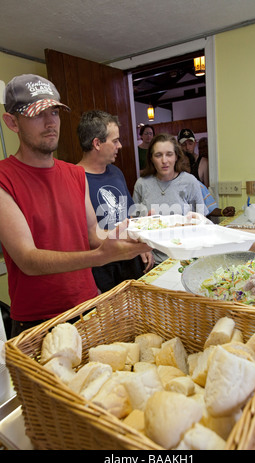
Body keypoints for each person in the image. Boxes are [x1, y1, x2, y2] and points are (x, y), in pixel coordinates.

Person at [0, 74, 150, 337]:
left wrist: (135, 233)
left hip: (88, 305)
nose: (50, 123)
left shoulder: (74, 174)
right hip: (39, 321)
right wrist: (102, 256)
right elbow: (28, 259)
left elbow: (92, 235)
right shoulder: (5, 179)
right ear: (12, 122)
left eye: (55, 113)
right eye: (37, 114)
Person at [77, 110, 153, 292]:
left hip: (129, 261)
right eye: (115, 140)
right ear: (97, 143)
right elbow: (86, 236)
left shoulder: (116, 172)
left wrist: (141, 246)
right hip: (101, 268)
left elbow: (130, 215)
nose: (120, 145)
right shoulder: (74, 178)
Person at [132, 133, 209, 265]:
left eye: (169, 154)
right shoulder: (142, 184)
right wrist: (142, 249)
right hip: (152, 261)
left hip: (185, 259)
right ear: (151, 158)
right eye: (158, 155)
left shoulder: (190, 182)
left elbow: (201, 222)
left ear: (176, 156)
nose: (164, 160)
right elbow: (135, 224)